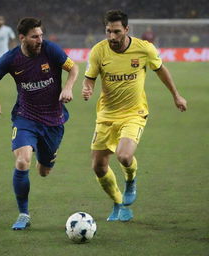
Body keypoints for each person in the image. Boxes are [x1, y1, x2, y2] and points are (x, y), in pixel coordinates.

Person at [82, 10, 187, 222]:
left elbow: (161, 70)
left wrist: (176, 95)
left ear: (127, 30)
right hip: (106, 115)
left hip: (134, 113)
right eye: (108, 31)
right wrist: (87, 88)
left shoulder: (144, 49)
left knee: (124, 155)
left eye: (116, 31)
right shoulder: (98, 51)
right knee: (98, 166)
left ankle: (130, 180)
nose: (112, 36)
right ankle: (118, 202)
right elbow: (90, 78)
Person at [0, 17, 79, 230]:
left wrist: (68, 87)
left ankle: (46, 157)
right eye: (35, 36)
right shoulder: (11, 59)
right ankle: (23, 214)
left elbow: (73, 68)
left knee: (43, 171)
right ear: (22, 38)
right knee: (22, 161)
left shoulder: (51, 50)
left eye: (41, 35)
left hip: (53, 120)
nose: (40, 40)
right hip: (25, 116)